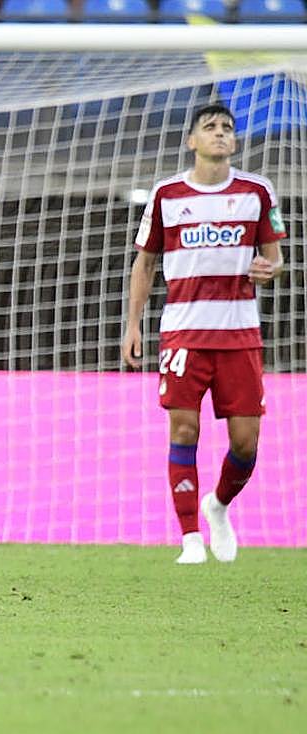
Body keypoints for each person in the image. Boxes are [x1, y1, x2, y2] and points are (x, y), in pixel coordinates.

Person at [123, 103, 286, 565]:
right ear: (191, 140)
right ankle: (190, 537)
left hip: (239, 335)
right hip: (184, 333)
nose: (219, 134)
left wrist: (268, 269)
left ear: (234, 142)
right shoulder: (167, 194)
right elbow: (146, 263)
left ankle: (218, 505)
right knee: (183, 427)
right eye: (209, 127)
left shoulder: (257, 192)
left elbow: (275, 259)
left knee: (246, 443)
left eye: (227, 128)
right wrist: (133, 324)